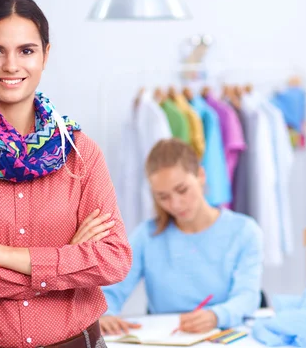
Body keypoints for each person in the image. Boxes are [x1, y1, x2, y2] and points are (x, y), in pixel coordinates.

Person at [0, 0, 132, 348]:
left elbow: (113, 259)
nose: (10, 65)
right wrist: (66, 262)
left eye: (26, 50)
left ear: (45, 55)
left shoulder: (81, 153)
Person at [100, 138, 264, 335]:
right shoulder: (146, 236)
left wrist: (216, 316)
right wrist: (105, 313)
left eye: (182, 190)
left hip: (222, 335)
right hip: (168, 338)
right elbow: (112, 290)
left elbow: (247, 297)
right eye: (163, 197)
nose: (175, 204)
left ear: (201, 176)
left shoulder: (244, 231)